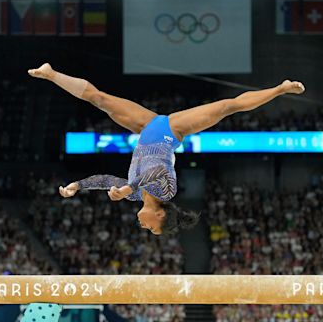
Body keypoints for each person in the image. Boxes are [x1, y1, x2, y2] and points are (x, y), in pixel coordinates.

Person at [28, 63, 305, 235]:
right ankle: (279, 89)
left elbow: (106, 181)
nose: (144, 227)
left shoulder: (135, 195)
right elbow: (158, 171)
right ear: (160, 214)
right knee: (226, 106)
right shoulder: (166, 191)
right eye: (152, 227)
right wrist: (128, 188)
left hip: (146, 128)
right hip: (170, 132)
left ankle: (51, 74)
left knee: (100, 99)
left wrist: (78, 185)